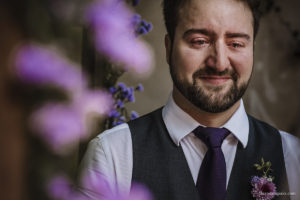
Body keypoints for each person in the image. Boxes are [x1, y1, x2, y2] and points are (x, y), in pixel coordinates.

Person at [79, 0, 300, 199]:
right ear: (168, 48)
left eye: (236, 44)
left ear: (252, 50)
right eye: (199, 41)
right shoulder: (113, 154)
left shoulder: (293, 156)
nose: (220, 63)